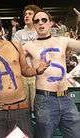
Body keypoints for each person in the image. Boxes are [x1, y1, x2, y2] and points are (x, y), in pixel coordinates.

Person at [0, 15, 49, 138]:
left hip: (20, 109)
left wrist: (37, 70)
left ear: (1, 31)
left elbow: (25, 70)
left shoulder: (15, 45)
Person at [23, 9, 80, 138]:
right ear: (33, 25)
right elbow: (14, 61)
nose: (40, 23)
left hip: (66, 98)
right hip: (45, 100)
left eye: (44, 20)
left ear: (50, 23)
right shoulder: (29, 46)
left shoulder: (63, 40)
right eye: (37, 21)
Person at [13, 5, 41, 112]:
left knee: (38, 107)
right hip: (22, 74)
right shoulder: (18, 34)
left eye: (30, 14)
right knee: (24, 108)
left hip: (38, 75)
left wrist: (25, 49)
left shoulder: (40, 32)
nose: (26, 16)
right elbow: (15, 53)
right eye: (25, 14)